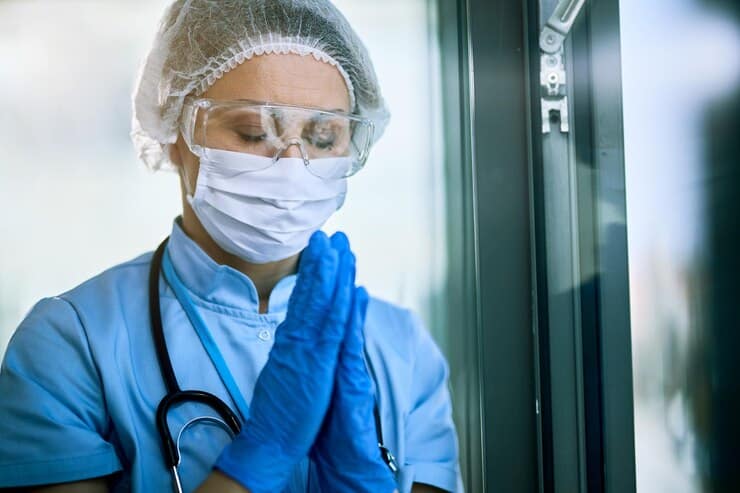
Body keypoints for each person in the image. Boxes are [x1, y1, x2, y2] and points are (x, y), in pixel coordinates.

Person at [0, 1, 463, 492]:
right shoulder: (74, 344)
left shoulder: (401, 349)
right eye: (253, 132)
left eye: (323, 137)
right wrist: (264, 452)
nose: (291, 163)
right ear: (174, 129)